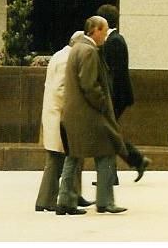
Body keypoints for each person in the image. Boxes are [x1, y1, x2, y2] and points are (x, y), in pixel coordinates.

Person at [56, 16, 127, 215]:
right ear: (94, 30)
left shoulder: (77, 48)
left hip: (75, 114)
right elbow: (89, 85)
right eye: (103, 31)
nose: (105, 35)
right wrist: (103, 104)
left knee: (74, 156)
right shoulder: (88, 51)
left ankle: (65, 200)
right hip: (89, 114)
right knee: (106, 152)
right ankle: (105, 201)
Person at [35, 31, 94, 212]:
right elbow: (61, 88)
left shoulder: (59, 55)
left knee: (69, 156)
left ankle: (73, 194)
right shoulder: (67, 59)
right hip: (61, 114)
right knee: (56, 159)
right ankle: (46, 200)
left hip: (55, 113)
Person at [96, 4, 151, 183]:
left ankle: (133, 162)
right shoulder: (115, 39)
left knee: (108, 133)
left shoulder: (114, 41)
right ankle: (118, 171)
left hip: (116, 96)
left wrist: (107, 99)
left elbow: (114, 74)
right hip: (118, 95)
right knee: (109, 133)